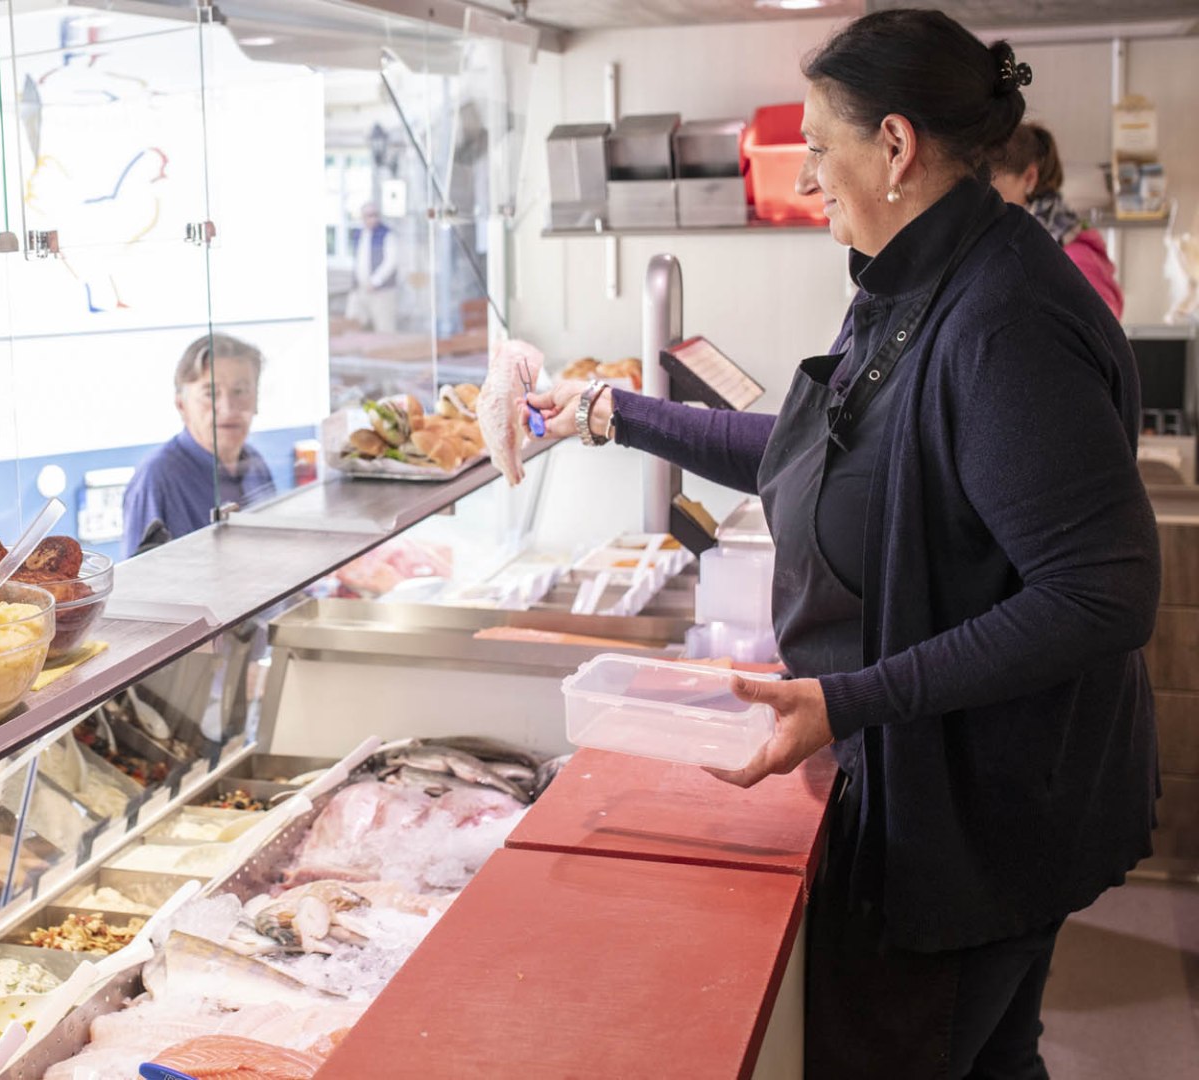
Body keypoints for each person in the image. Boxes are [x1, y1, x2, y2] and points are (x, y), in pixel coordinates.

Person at [522, 12, 1155, 1077]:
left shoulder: (1003, 319)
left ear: (896, 147)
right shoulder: (912, 279)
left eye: (819, 146)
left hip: (977, 813)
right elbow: (816, 451)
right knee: (995, 1060)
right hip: (952, 791)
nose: (807, 175)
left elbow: (1101, 595)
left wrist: (847, 699)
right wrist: (612, 413)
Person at [121, 333, 278, 553]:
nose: (228, 407)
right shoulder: (157, 478)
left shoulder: (254, 463)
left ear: (257, 400)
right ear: (181, 405)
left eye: (240, 391)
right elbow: (138, 580)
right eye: (210, 393)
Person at [990, 122, 1124, 320]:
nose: (984, 198)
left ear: (1029, 178)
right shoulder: (1019, 242)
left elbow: (1101, 335)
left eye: (993, 186)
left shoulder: (1075, 256)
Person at [346, 203, 399, 333]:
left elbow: (391, 261)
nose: (372, 218)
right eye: (369, 215)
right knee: (352, 324)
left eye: (375, 215)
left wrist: (376, 281)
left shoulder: (387, 234)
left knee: (384, 327)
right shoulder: (359, 234)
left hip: (381, 290)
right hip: (360, 288)